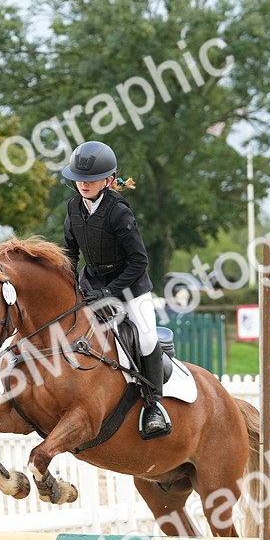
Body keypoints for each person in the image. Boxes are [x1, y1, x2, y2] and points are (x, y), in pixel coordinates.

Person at [62, 140, 171, 439]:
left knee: (147, 337)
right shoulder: (73, 208)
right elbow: (70, 254)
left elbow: (139, 260)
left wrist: (110, 291)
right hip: (93, 285)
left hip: (130, 287)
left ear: (108, 180)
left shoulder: (118, 211)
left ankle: (153, 406)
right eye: (80, 179)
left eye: (92, 179)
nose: (84, 185)